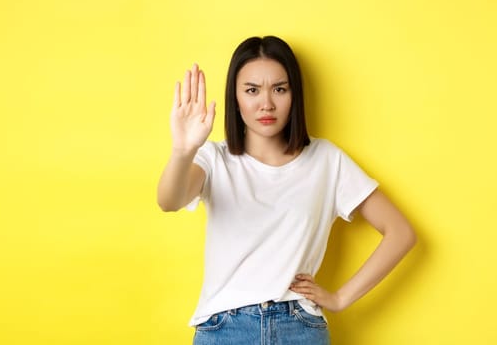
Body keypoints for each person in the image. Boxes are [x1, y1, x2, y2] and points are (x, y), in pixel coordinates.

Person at [156, 36, 417, 344]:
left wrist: (340, 298)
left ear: (294, 94)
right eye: (252, 90)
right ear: (235, 97)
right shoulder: (215, 158)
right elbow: (168, 201)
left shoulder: (326, 159)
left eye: (279, 89)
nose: (266, 103)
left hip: (299, 327)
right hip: (224, 329)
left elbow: (401, 233)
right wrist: (183, 150)